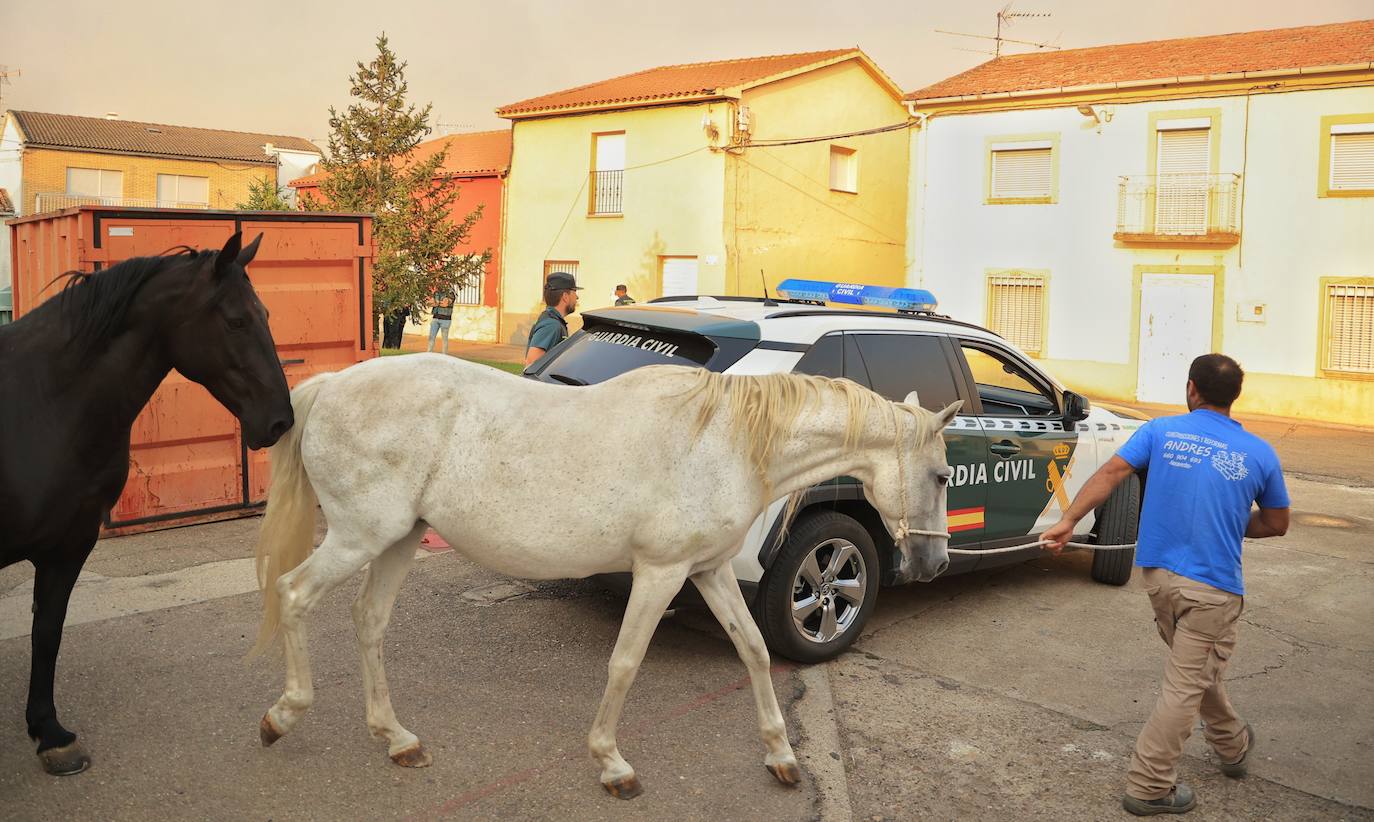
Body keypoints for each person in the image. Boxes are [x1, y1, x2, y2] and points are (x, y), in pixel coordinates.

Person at [1041, 353, 1289, 816]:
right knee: (1185, 684)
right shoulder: (1260, 453)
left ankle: (1232, 745)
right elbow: (1276, 523)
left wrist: (1069, 520)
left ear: (1192, 389)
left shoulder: (1159, 431)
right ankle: (1149, 786)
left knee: (1194, 671)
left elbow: (1112, 473)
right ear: (1234, 397)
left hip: (1158, 581)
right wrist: (1235, 521)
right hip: (1213, 588)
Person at [524, 271, 582, 366]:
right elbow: (532, 362)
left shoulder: (552, 320)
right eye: (574, 292)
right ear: (565, 297)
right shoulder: (552, 325)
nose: (577, 297)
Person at [427, 289, 454, 355]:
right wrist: (438, 302)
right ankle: (428, 354)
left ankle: (444, 355)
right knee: (431, 337)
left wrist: (436, 303)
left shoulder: (450, 293)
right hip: (435, 318)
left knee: (444, 339)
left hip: (446, 319)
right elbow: (429, 303)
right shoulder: (436, 292)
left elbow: (445, 304)